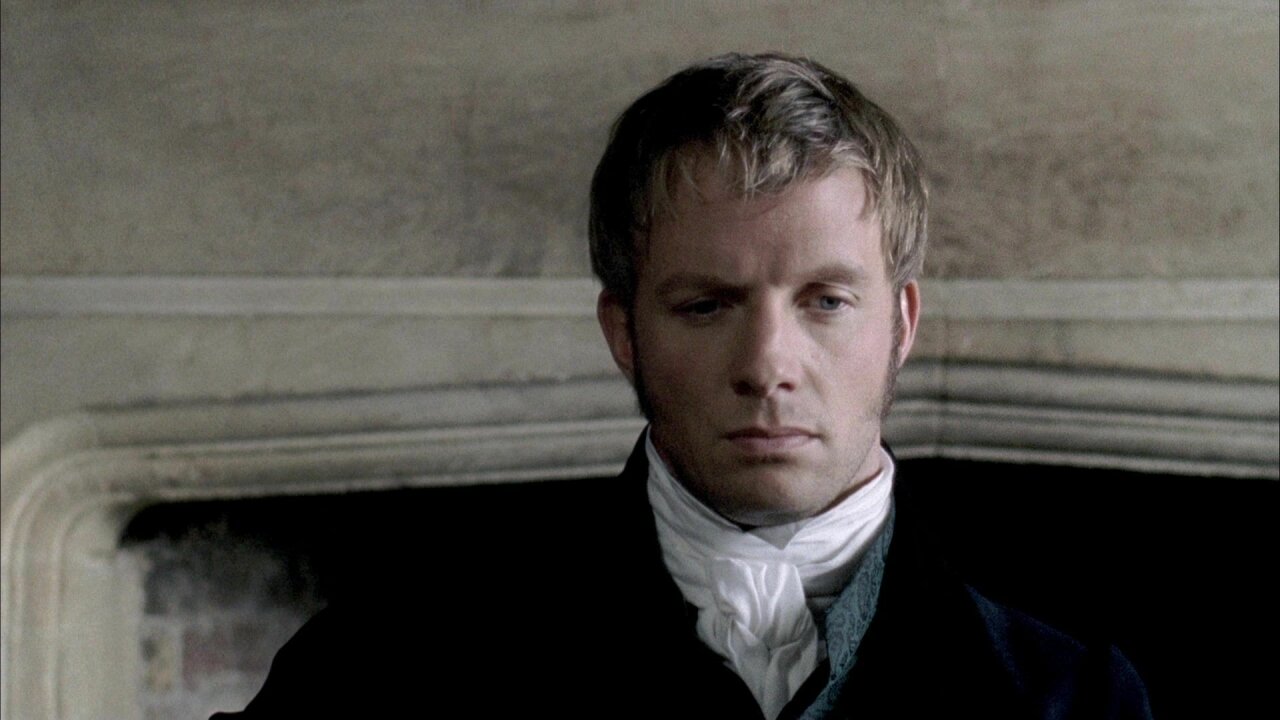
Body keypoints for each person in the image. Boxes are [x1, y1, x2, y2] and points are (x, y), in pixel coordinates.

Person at [216, 52, 1152, 719]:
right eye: (706, 306)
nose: (768, 366)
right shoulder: (389, 664)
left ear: (901, 325)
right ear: (624, 332)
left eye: (827, 302)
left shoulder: (1077, 701)